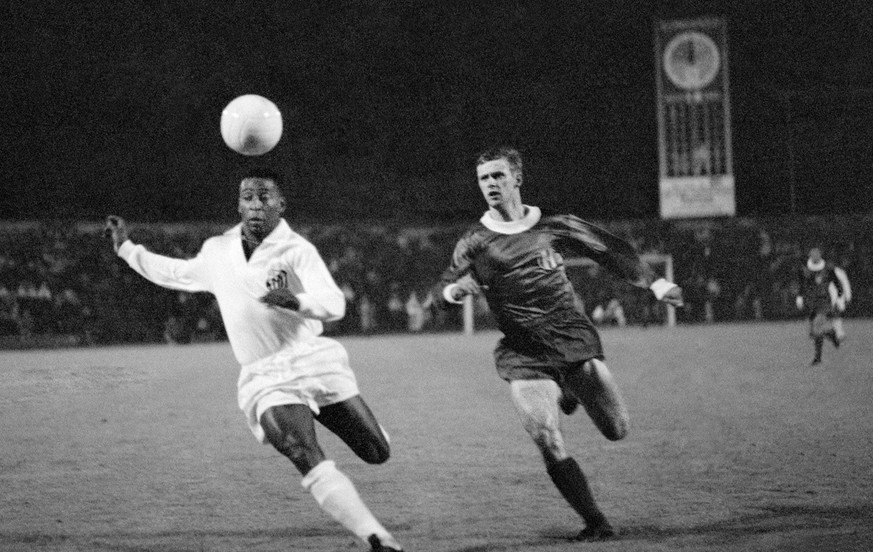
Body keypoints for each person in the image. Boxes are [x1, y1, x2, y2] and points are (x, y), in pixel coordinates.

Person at [104, 168, 403, 552]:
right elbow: (176, 273)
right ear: (239, 204)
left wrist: (297, 301)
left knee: (376, 451)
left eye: (265, 197)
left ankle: (342, 419)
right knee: (301, 450)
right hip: (265, 375)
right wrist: (127, 248)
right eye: (248, 197)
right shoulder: (216, 251)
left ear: (281, 204)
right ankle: (377, 537)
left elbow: (335, 303)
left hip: (314, 362)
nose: (256, 204)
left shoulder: (296, 250)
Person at [434, 147, 683, 541]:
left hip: (572, 339)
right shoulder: (474, 241)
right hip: (524, 353)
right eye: (483, 179)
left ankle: (570, 389)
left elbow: (610, 251)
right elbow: (441, 288)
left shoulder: (555, 226)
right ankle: (595, 521)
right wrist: (453, 293)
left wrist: (657, 283)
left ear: (517, 178)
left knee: (617, 429)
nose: (490, 185)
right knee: (546, 437)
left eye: (498, 176)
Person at [795, 247, 849, 365]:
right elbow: (802, 285)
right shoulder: (804, 269)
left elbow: (837, 284)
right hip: (811, 303)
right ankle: (832, 334)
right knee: (813, 333)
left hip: (824, 303)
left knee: (817, 326)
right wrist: (799, 297)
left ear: (820, 256)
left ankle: (817, 358)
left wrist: (840, 297)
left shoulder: (828, 269)